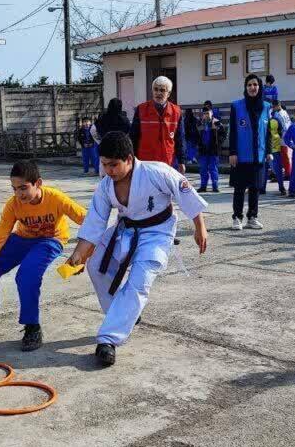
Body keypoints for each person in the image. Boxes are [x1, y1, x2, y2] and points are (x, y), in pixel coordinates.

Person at [65, 132, 207, 367]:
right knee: (96, 267)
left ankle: (108, 339)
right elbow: (94, 222)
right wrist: (80, 254)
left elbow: (186, 193)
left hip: (157, 233)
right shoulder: (105, 186)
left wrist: (199, 227)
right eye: (104, 164)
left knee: (139, 282)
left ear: (129, 159)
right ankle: (126, 315)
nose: (109, 170)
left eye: (114, 164)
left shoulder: (156, 172)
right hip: (125, 231)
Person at [0, 160, 87, 351]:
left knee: (26, 276)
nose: (19, 194)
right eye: (14, 188)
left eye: (23, 188)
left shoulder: (55, 198)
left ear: (38, 183)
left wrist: (84, 254)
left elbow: (88, 220)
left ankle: (32, 326)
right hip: (21, 239)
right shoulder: (13, 204)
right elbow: (0, 236)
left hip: (49, 241)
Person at [228, 74, 274, 229]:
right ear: (245, 88)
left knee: (255, 188)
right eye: (249, 85)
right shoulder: (236, 106)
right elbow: (233, 131)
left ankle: (252, 217)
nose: (252, 87)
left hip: (259, 155)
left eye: (255, 84)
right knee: (239, 188)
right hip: (241, 155)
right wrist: (232, 152)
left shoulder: (267, 107)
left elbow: (267, 132)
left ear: (259, 87)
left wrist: (268, 151)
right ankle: (237, 218)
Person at [129, 76, 185, 173]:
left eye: (162, 90)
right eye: (156, 89)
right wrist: (131, 159)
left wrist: (182, 161)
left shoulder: (176, 112)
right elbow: (133, 137)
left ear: (169, 94)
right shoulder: (141, 109)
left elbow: (180, 139)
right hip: (145, 163)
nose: (158, 93)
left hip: (168, 163)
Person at [196, 105, 225, 193]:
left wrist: (218, 144)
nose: (206, 115)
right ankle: (203, 186)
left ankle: (215, 186)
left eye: (207, 113)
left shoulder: (217, 122)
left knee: (213, 168)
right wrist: (198, 145)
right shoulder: (199, 123)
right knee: (203, 169)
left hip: (213, 150)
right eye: (204, 113)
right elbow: (196, 136)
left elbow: (223, 135)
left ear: (211, 113)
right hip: (203, 150)